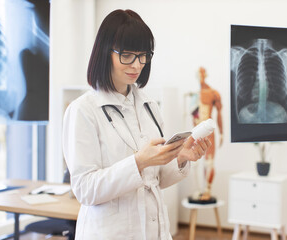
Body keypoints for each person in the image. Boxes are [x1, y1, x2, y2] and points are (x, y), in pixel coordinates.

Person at [62, 9, 211, 240]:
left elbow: (156, 179)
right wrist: (139, 162)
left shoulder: (149, 105)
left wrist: (181, 157)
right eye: (127, 55)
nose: (137, 64)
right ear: (105, 52)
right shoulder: (83, 110)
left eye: (143, 55)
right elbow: (85, 189)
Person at [192, 67, 223, 201]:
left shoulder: (213, 93)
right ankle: (199, 190)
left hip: (209, 132)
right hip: (197, 132)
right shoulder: (195, 95)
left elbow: (219, 114)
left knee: (209, 163)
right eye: (198, 75)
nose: (201, 77)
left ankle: (207, 190)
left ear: (206, 75)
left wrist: (221, 132)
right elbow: (194, 116)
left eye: (202, 74)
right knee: (195, 163)